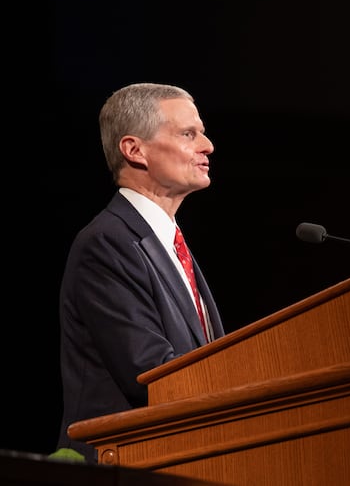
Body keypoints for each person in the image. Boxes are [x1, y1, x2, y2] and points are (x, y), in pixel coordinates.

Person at [55, 82, 225, 462]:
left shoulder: (167, 243)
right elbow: (151, 374)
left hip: (184, 457)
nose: (207, 145)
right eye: (188, 133)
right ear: (135, 150)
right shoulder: (106, 243)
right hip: (127, 463)